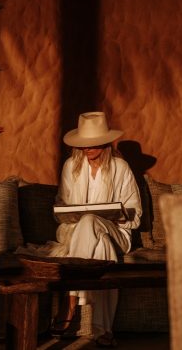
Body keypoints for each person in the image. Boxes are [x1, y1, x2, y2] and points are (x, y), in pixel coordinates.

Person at [50, 111, 142, 348]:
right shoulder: (71, 166)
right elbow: (61, 204)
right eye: (83, 144)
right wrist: (72, 214)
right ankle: (104, 330)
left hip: (116, 231)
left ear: (105, 142)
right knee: (99, 242)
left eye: (92, 144)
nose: (87, 149)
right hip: (75, 231)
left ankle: (70, 301)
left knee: (91, 220)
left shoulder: (120, 167)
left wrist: (118, 214)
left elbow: (135, 211)